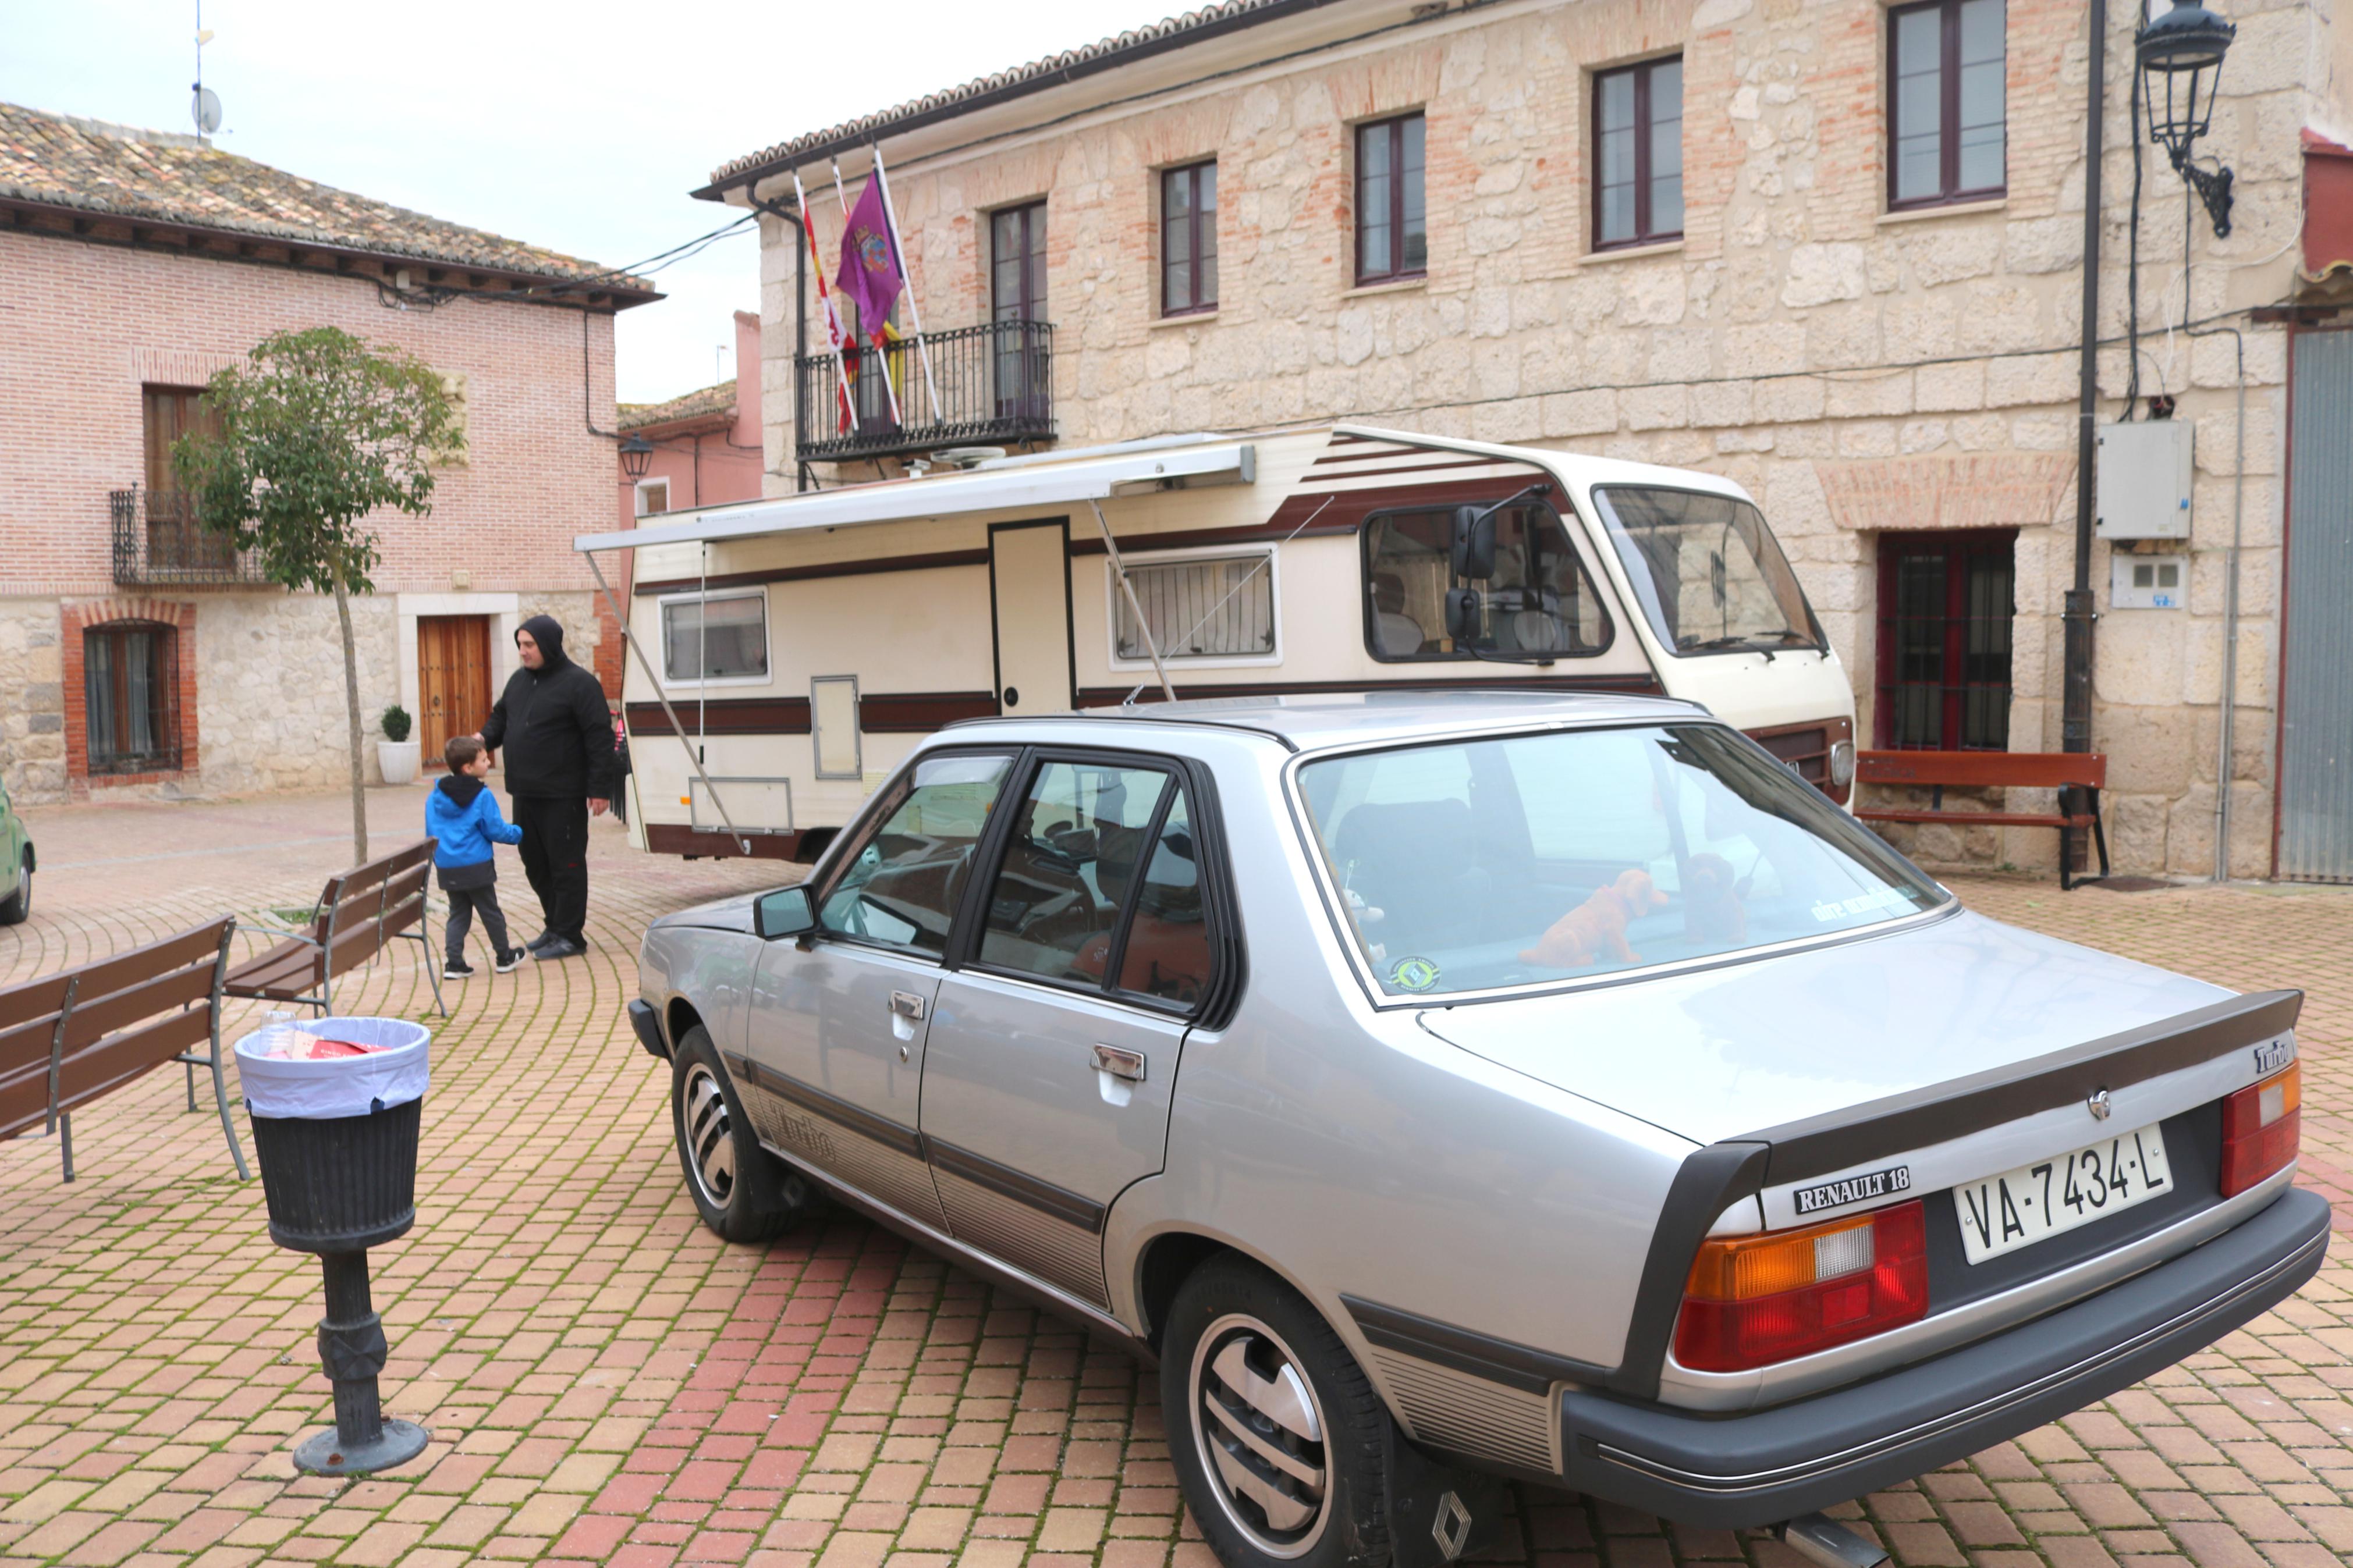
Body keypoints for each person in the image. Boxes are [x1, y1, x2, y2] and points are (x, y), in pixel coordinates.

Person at [477, 615, 613, 960]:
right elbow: (501, 719)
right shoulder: (519, 682)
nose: (522, 652)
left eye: (529, 645)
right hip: (525, 792)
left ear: (548, 645)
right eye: (520, 645)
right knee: (534, 862)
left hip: (563, 795)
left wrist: (599, 788)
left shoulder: (580, 684)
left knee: (565, 865)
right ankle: (554, 927)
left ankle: (571, 936)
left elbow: (599, 738)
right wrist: (481, 740)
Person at [426, 735, 527, 980]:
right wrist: (519, 832)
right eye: (484, 760)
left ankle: (454, 963)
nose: (489, 763)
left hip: (448, 867)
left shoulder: (435, 796)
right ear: (468, 768)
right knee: (490, 911)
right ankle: (504, 956)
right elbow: (495, 830)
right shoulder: (482, 796)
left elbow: (431, 833)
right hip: (477, 866)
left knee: (458, 913)